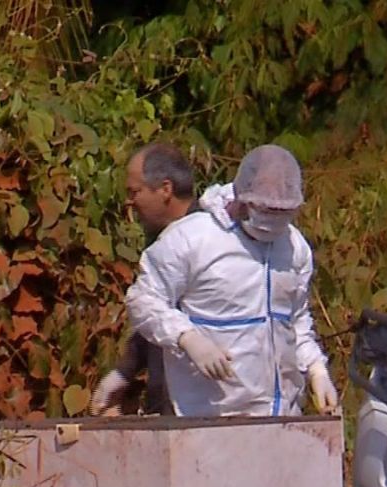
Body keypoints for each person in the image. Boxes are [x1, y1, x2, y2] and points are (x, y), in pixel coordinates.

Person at [124, 144, 339, 417]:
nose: (272, 220)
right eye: (265, 208)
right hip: (209, 418)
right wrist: (187, 338)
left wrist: (316, 370)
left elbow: (295, 321)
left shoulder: (294, 247)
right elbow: (143, 301)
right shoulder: (193, 238)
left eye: (281, 212)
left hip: (281, 417)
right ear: (243, 198)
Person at [90, 142, 199, 416]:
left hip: (201, 410)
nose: (130, 202)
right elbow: (158, 319)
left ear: (165, 189)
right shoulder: (161, 241)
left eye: (134, 192)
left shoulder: (207, 243)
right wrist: (125, 371)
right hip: (166, 408)